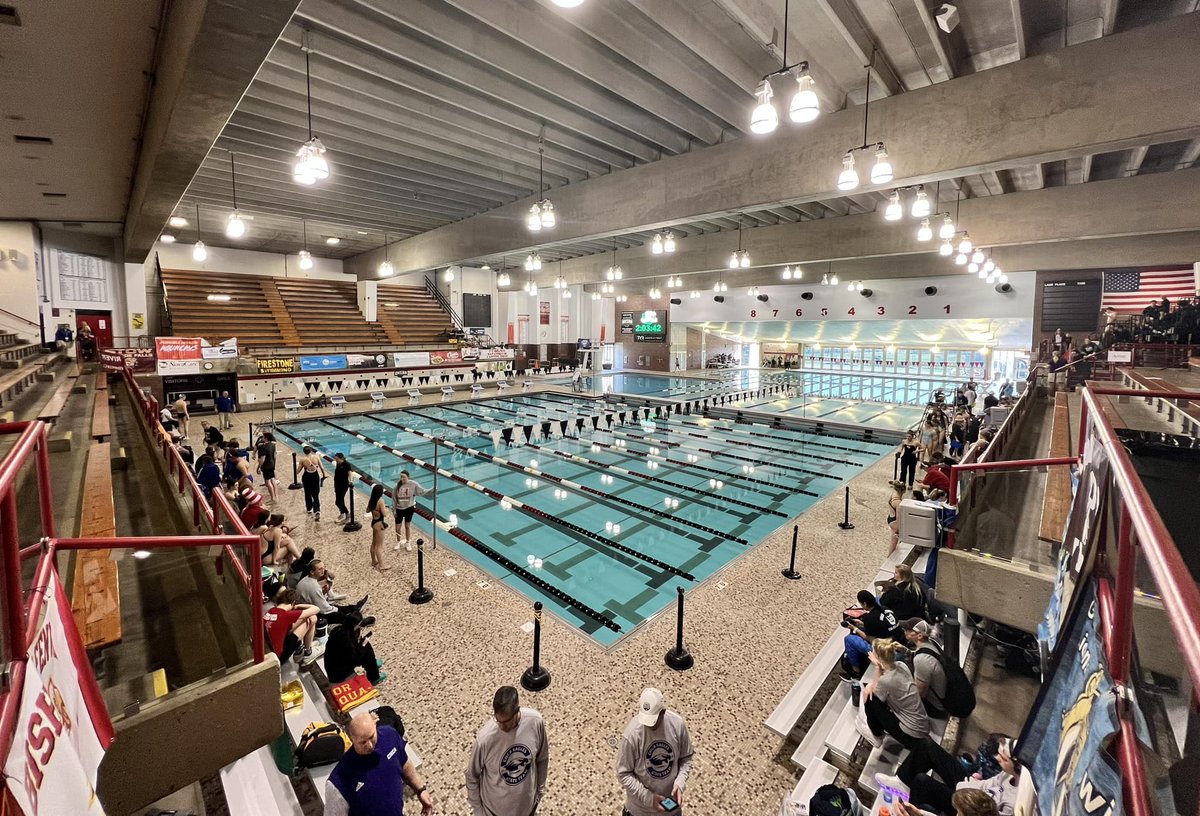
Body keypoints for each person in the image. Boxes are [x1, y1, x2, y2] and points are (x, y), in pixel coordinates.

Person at [877, 736, 1022, 816]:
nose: (997, 759)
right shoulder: (1006, 775)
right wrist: (968, 788)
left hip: (974, 808)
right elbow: (983, 785)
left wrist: (969, 791)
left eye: (1003, 759)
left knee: (921, 781)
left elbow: (982, 808)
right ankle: (902, 782)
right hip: (970, 793)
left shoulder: (1016, 802)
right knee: (927, 745)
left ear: (1016, 765)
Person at [325, 711, 435, 816]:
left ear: (375, 724)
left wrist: (421, 790)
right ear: (351, 739)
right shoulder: (338, 781)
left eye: (371, 737)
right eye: (362, 742)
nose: (369, 745)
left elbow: (404, 763)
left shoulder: (390, 736)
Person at [465, 686, 550, 816]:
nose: (502, 726)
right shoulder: (484, 739)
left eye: (507, 721)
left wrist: (539, 794)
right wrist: (479, 812)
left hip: (528, 809)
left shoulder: (535, 721)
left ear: (517, 711)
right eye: (499, 721)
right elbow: (471, 777)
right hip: (493, 812)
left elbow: (542, 758)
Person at [616, 688, 694, 816]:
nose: (649, 725)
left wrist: (680, 783)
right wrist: (649, 798)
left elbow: (686, 758)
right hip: (639, 811)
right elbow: (623, 773)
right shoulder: (632, 735)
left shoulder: (677, 724)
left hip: (670, 809)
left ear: (663, 712)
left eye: (653, 720)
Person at [859, 638, 930, 750]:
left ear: (878, 658)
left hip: (911, 734)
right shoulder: (901, 665)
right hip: (922, 725)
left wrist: (877, 667)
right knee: (873, 691)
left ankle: (876, 735)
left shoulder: (886, 681)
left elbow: (873, 689)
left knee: (869, 698)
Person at [843, 589, 908, 678]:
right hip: (901, 645)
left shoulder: (870, 618)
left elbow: (869, 639)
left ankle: (855, 674)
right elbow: (881, 625)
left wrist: (854, 628)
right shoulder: (885, 609)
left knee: (849, 639)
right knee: (862, 629)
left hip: (890, 653)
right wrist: (862, 624)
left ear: (865, 604)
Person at [295, 559, 372, 629]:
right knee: (339, 615)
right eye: (320, 569)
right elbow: (324, 609)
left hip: (307, 608)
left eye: (324, 568)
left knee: (336, 608)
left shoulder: (306, 579)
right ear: (312, 572)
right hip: (313, 614)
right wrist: (338, 610)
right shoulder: (314, 587)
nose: (323, 570)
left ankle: (354, 608)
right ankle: (359, 622)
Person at [900, 619, 948, 718]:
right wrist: (905, 650)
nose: (905, 631)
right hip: (943, 694)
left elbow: (920, 693)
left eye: (908, 630)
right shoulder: (932, 642)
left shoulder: (921, 660)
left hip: (936, 707)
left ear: (919, 635)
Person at [263, 588, 323, 665]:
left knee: (301, 621)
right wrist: (297, 606)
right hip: (277, 659)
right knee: (312, 618)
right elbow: (316, 609)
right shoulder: (286, 615)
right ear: (293, 602)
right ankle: (308, 652)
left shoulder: (271, 611)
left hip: (268, 654)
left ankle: (303, 648)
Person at [393, 470, 433, 552]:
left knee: (407, 526)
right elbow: (394, 499)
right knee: (397, 528)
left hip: (409, 508)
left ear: (408, 477)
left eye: (403, 477)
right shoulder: (396, 487)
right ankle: (398, 541)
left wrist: (431, 490)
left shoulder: (413, 484)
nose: (402, 478)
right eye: (401, 477)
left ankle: (408, 542)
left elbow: (422, 491)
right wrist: (394, 510)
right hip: (399, 509)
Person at [367, 484, 392, 571]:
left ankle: (374, 561)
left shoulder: (372, 500)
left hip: (374, 522)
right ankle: (382, 565)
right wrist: (386, 509)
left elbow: (367, 510)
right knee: (379, 546)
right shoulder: (380, 501)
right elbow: (384, 514)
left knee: (373, 543)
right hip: (379, 524)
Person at [299, 445, 327, 520]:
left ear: (304, 452)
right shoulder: (316, 457)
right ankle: (317, 510)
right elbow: (322, 467)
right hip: (315, 477)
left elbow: (298, 471)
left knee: (307, 493)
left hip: (306, 477)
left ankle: (309, 508)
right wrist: (324, 475)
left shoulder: (302, 459)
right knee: (316, 494)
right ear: (311, 451)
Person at [256, 432, 279, 504]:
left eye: (263, 437)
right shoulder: (272, 445)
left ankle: (272, 499)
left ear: (266, 438)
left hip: (266, 466)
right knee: (273, 479)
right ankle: (276, 496)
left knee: (267, 482)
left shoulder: (263, 447)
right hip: (272, 464)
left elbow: (262, 459)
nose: (262, 438)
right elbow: (275, 455)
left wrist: (258, 467)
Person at [886, 480, 906, 556]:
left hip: (890, 517)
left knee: (893, 541)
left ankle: (891, 556)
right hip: (895, 522)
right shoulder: (898, 502)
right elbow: (899, 518)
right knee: (893, 543)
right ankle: (889, 558)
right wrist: (898, 530)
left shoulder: (893, 494)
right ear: (903, 490)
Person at [333, 452, 352, 523]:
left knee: (338, 502)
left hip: (343, 485)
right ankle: (342, 514)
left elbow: (350, 473)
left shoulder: (347, 464)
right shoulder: (338, 464)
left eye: (337, 459)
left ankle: (347, 514)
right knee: (340, 501)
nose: (336, 460)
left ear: (341, 458)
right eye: (335, 459)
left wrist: (350, 481)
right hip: (337, 484)